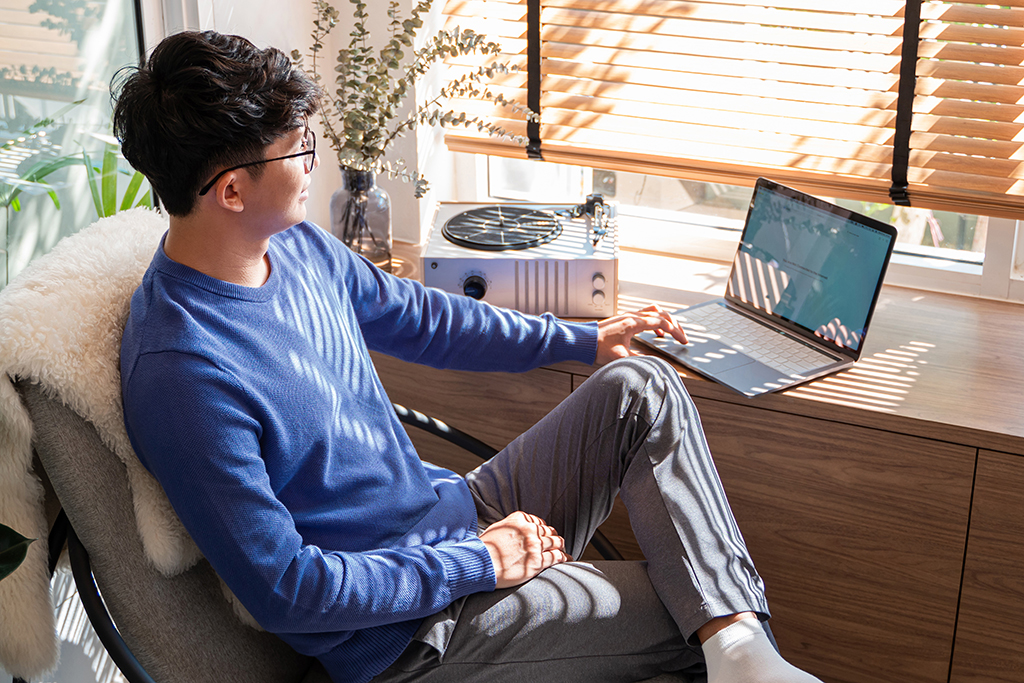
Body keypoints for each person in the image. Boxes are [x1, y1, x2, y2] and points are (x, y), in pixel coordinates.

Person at [114, 30, 824, 683]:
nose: (312, 162)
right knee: (690, 612)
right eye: (297, 149)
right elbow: (287, 591)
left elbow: (418, 315)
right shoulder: (183, 371)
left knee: (641, 387)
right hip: (407, 633)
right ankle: (731, 650)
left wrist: (581, 338)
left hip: (452, 513)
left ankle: (741, 655)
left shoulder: (290, 245)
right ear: (231, 190)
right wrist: (479, 561)